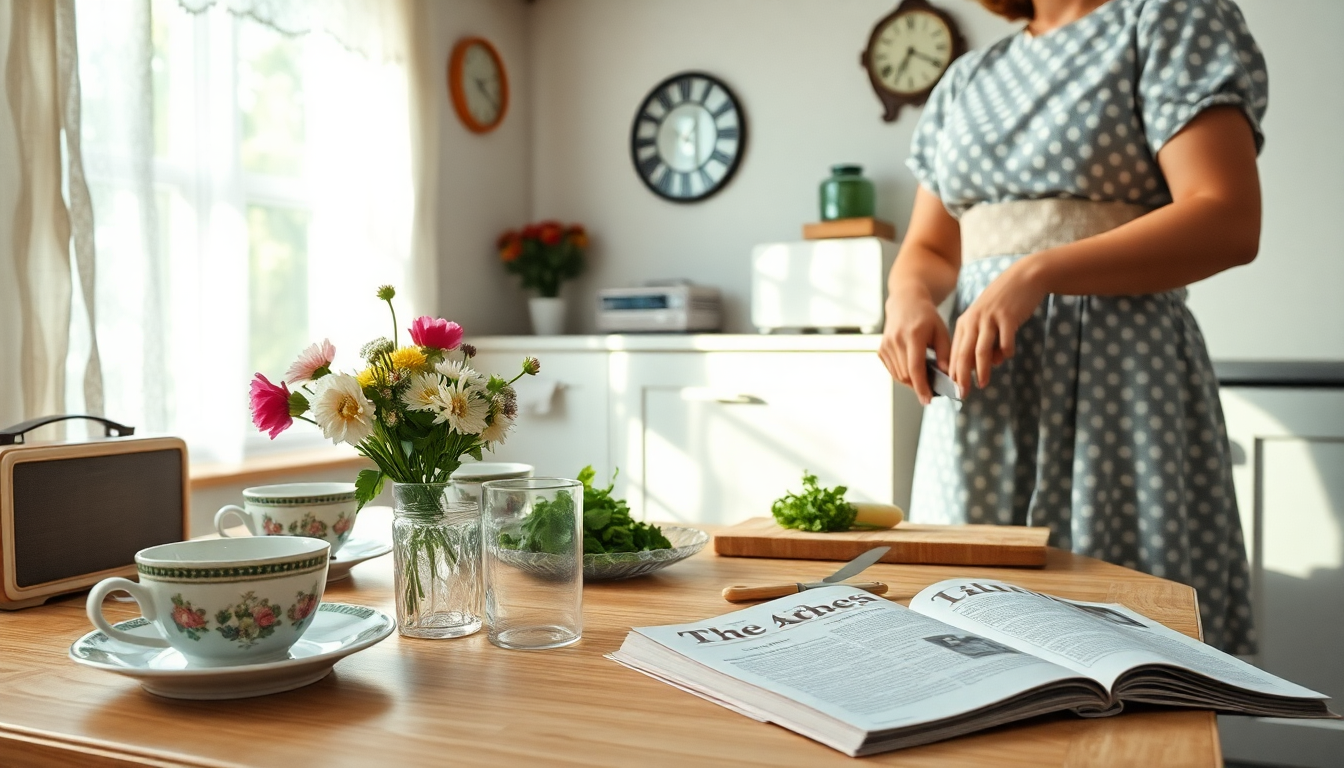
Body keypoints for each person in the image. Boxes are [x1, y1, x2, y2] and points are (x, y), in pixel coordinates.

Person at [878, 0, 1266, 655]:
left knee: (1126, 647)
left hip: (1118, 377)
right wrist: (909, 300)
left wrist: (1039, 272)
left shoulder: (1168, 19)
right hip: (983, 390)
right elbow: (932, 249)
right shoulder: (969, 78)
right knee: (963, 639)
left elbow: (1225, 216)